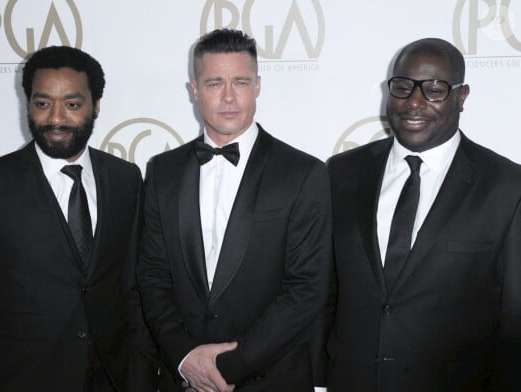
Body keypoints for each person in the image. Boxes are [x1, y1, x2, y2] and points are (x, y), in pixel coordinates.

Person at [0, 46, 158, 392]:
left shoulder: (126, 179)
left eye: (72, 105)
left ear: (96, 106)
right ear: (27, 103)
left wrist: (143, 376)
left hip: (115, 378)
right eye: (42, 103)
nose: (55, 118)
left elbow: (133, 290)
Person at [137, 29, 330, 392]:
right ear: (194, 89)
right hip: (185, 379)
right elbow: (152, 276)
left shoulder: (304, 173)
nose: (228, 96)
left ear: (257, 85)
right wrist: (185, 359)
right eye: (214, 83)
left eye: (240, 81)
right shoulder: (162, 171)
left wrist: (226, 368)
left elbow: (306, 289)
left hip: (270, 378)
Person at [325, 37, 521, 391]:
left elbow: (515, 321)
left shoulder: (506, 187)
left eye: (434, 89)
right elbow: (324, 293)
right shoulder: (340, 174)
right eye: (402, 87)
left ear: (461, 97)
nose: (414, 102)